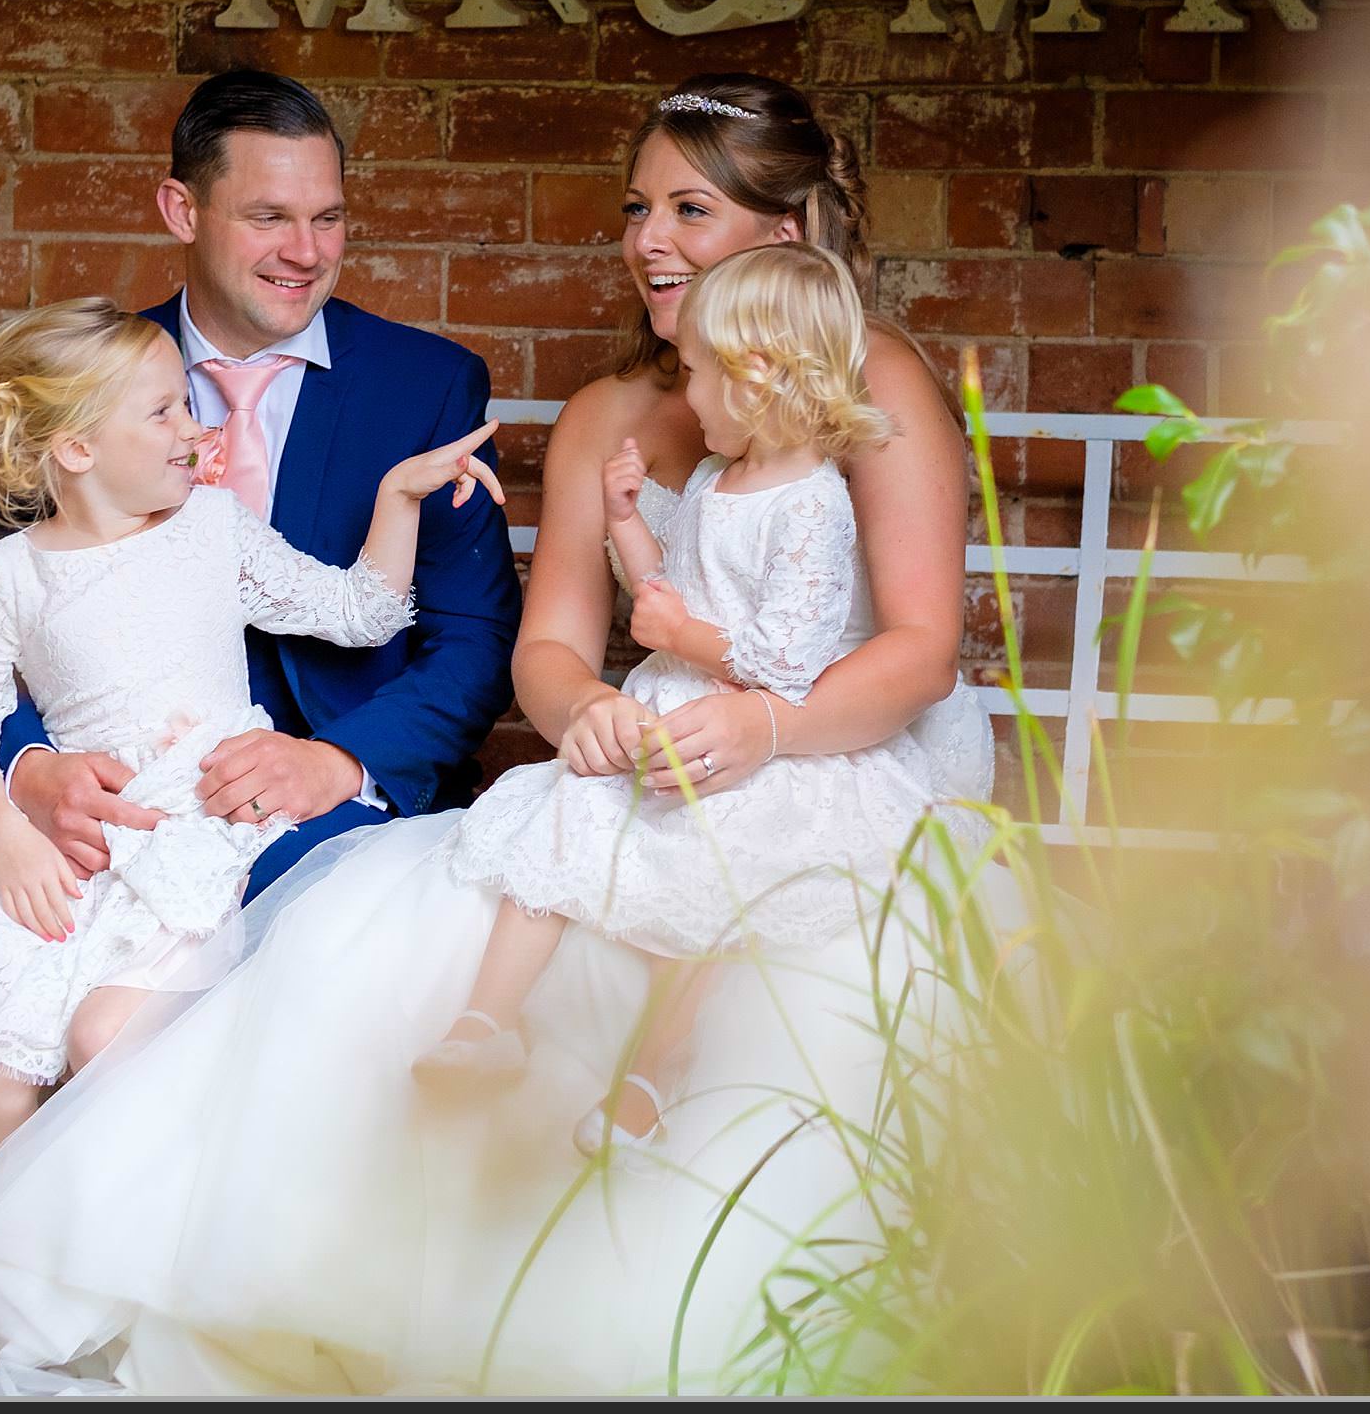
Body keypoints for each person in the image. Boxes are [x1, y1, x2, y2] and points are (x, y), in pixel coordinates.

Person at [0, 74, 1018, 1394]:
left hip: (804, 755)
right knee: (379, 957)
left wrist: (753, 728)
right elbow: (546, 651)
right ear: (181, 211)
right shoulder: (599, 408)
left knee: (754, 983)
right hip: (573, 755)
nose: (646, 240)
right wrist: (594, 709)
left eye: (688, 209)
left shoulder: (851, 381)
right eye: (638, 207)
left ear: (780, 234)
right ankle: (242, 1299)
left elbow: (914, 646)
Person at [0, 299, 504, 1171]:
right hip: (80, 845)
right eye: (163, 411)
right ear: (77, 450)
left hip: (196, 825)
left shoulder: (211, 528)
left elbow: (362, 611)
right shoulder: (12, 574)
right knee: (0, 1068)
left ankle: (151, 1244)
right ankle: (2, 1282)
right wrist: (8, 834)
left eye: (185, 405)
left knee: (103, 1034)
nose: (194, 429)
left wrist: (397, 497)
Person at [412, 242, 987, 1157]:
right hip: (677, 709)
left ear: (757, 379)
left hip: (760, 732)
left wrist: (680, 638)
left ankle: (652, 1072)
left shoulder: (813, 503)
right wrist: (630, 519)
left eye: (700, 375)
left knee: (725, 880)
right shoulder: (723, 476)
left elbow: (782, 657)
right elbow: (664, 591)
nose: (689, 394)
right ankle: (487, 1022)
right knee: (555, 823)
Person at [0, 69, 521, 906]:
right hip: (123, 810)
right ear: (182, 211)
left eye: (327, 218)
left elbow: (475, 639)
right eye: (269, 217)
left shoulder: (428, 386)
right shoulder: (87, 380)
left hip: (338, 812)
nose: (306, 251)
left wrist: (339, 763)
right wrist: (34, 771)